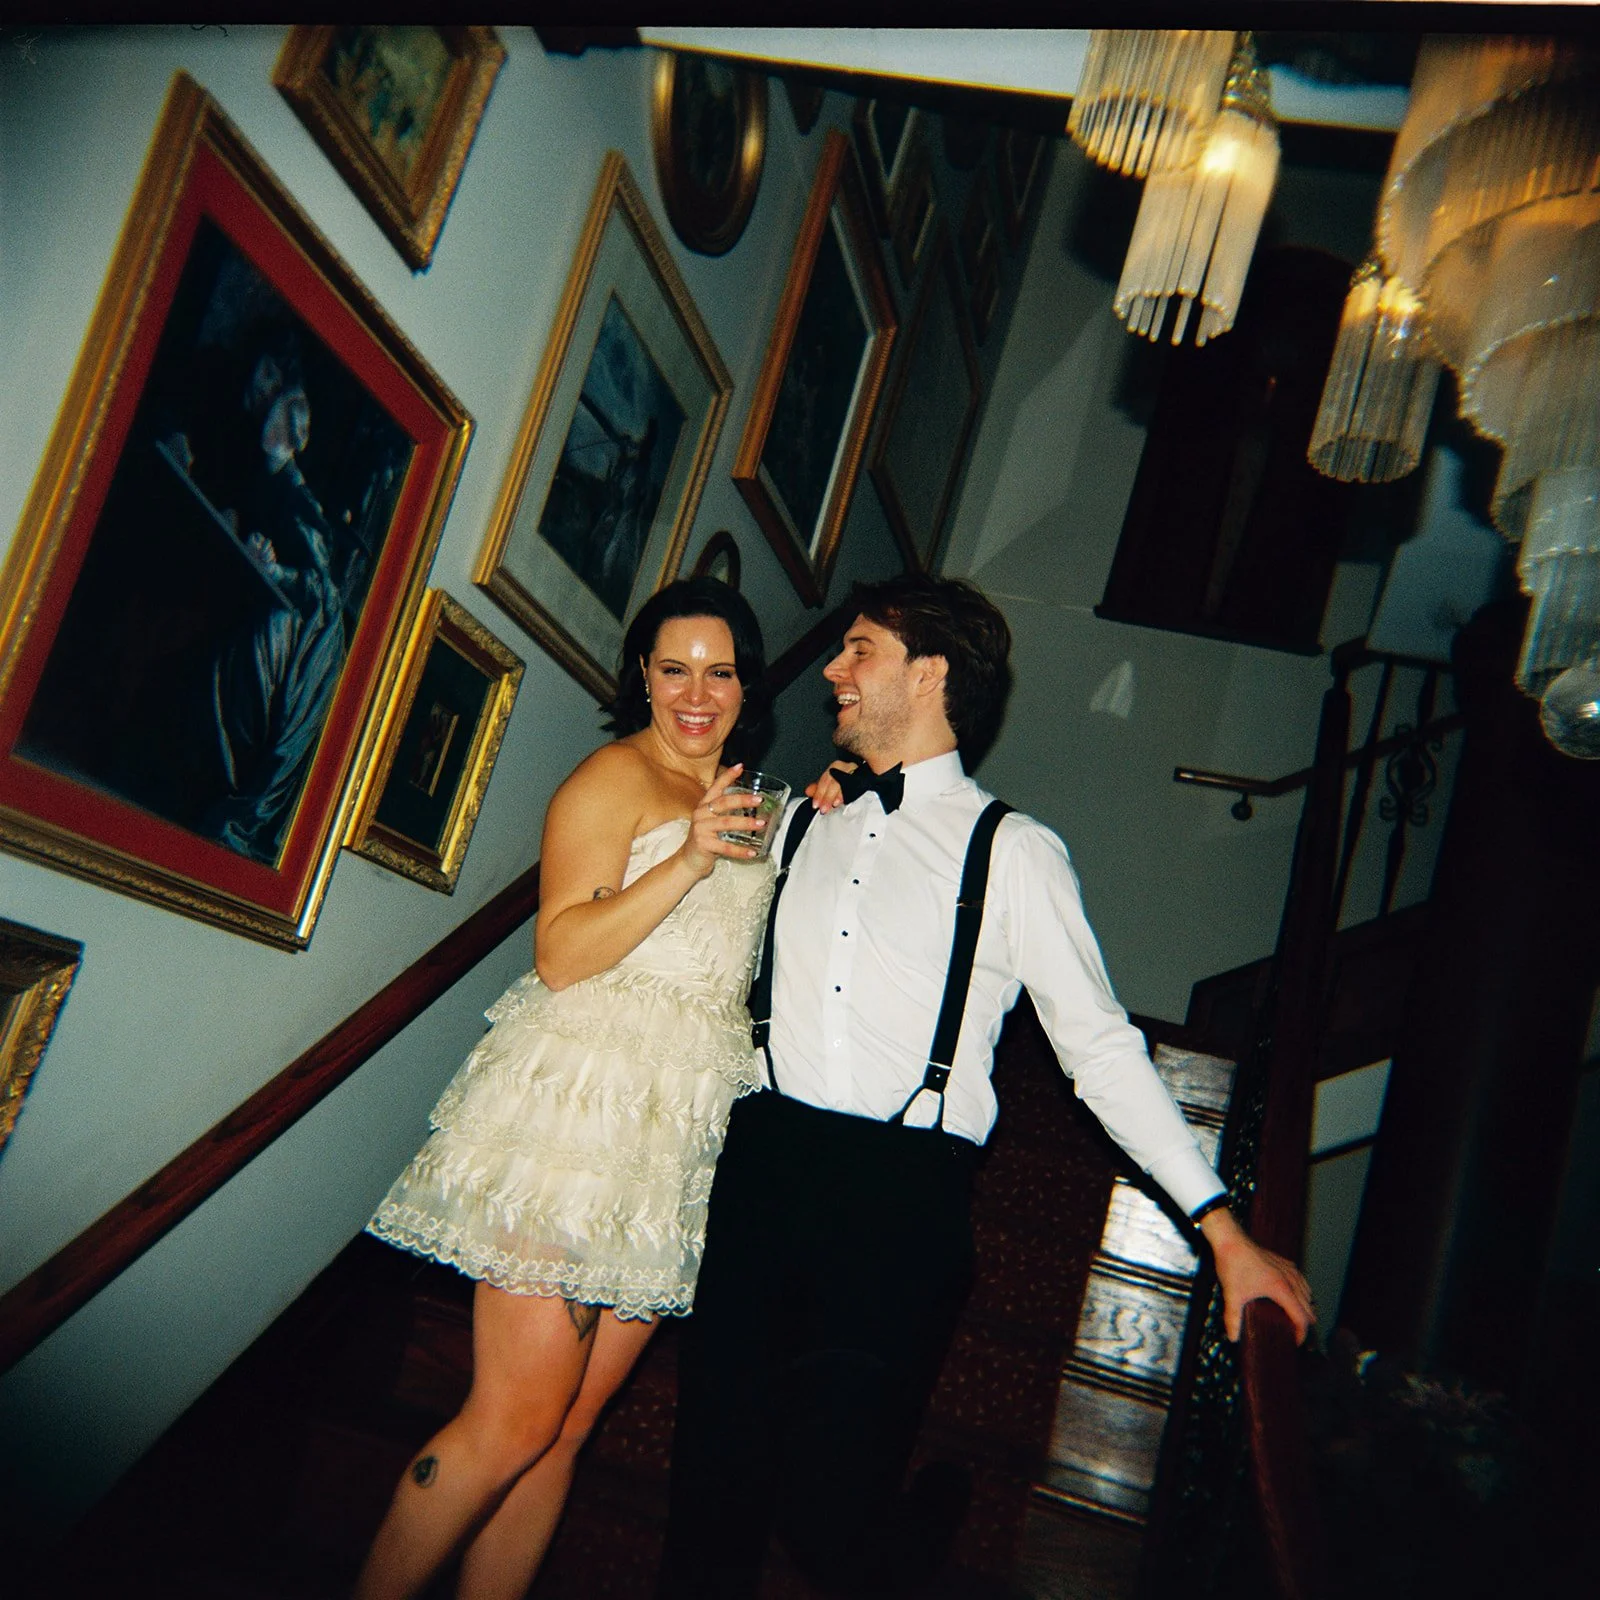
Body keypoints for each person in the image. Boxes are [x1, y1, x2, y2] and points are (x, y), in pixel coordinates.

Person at [657, 572, 1316, 1599]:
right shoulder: (796, 821)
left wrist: (1222, 1231)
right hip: (760, 1169)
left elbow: (1100, 1051)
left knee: (830, 1518)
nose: (832, 668)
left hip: (901, 1203)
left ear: (929, 673)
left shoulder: (1015, 853)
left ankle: (916, 1530)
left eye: (860, 648)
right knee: (710, 1499)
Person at [357, 577, 777, 1600]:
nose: (696, 693)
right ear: (642, 675)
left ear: (747, 685)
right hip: (574, 1119)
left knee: (566, 1430)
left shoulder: (743, 796)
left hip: (665, 1139)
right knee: (512, 1420)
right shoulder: (611, 778)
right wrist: (685, 861)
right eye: (674, 669)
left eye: (720, 672)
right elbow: (560, 953)